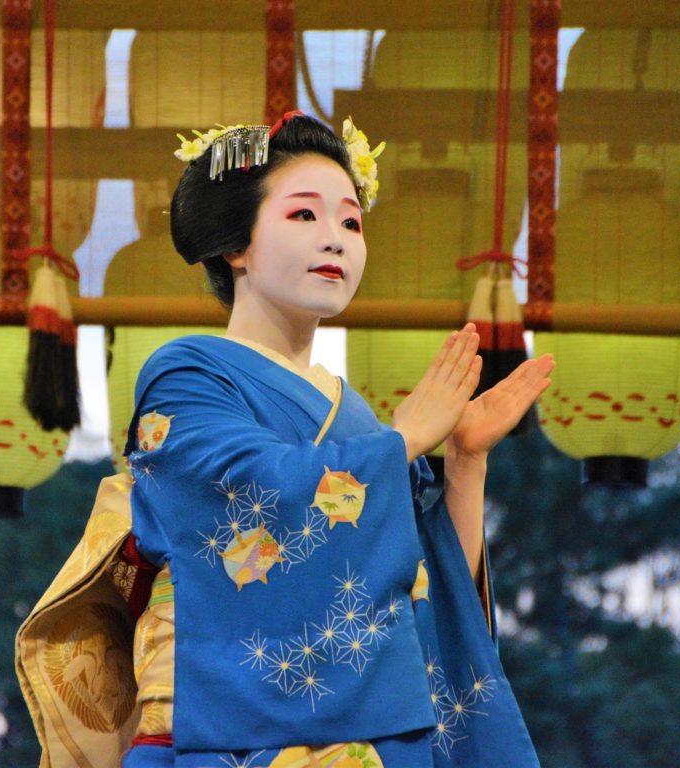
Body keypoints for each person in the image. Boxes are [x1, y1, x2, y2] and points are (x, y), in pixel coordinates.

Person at [115, 111, 553, 768]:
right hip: (232, 734)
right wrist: (401, 442)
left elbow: (428, 593)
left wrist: (464, 463)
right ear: (237, 245)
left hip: (380, 740)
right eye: (304, 217)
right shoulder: (186, 375)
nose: (337, 240)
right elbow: (251, 498)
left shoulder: (361, 427)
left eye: (350, 221)